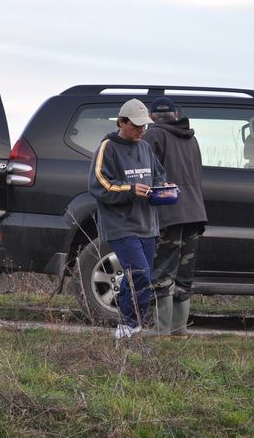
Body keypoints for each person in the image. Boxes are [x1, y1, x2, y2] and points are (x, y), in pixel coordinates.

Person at [88, 98, 166, 338]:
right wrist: (130, 190)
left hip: (147, 225)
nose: (142, 130)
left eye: (144, 125)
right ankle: (128, 326)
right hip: (121, 225)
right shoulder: (107, 147)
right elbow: (99, 184)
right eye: (136, 125)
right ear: (121, 122)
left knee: (142, 277)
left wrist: (163, 188)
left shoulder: (145, 148)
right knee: (139, 272)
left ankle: (132, 327)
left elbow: (158, 175)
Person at [143, 97, 207, 338]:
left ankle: (161, 330)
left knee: (163, 271)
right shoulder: (192, 138)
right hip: (195, 213)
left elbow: (145, 172)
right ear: (175, 115)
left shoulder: (154, 135)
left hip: (169, 213)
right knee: (184, 273)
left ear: (151, 116)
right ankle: (179, 329)